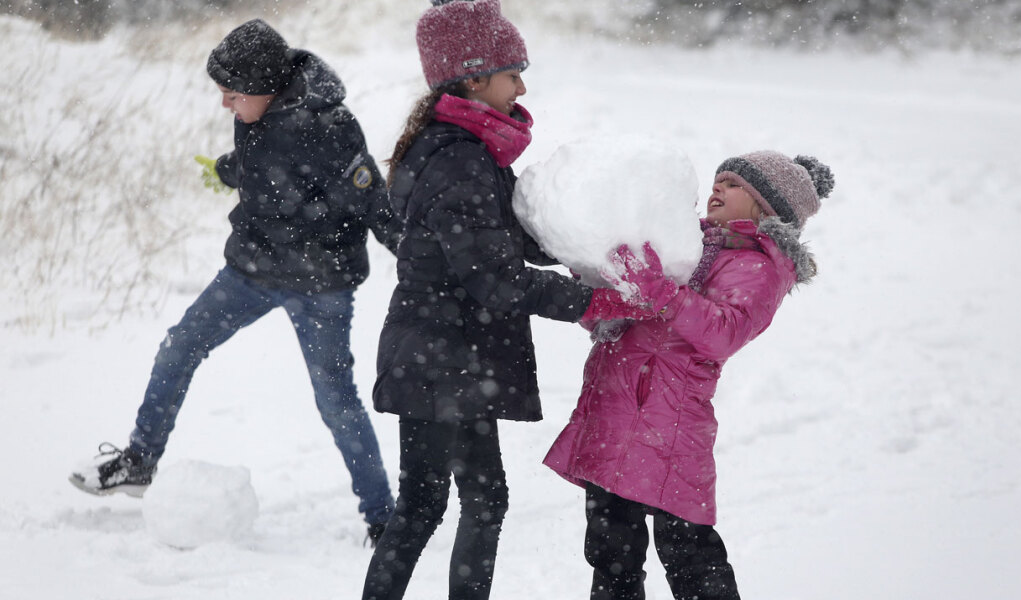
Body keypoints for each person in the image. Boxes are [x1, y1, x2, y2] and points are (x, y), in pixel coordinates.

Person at [69, 19, 402, 543]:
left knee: (336, 401)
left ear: (265, 87)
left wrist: (420, 260)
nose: (225, 104)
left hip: (321, 286)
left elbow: (374, 202)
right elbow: (263, 159)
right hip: (252, 269)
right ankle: (139, 460)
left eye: (232, 94)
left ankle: (383, 518)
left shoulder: (331, 127)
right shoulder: (258, 110)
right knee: (179, 346)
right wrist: (227, 170)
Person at [360, 1, 649, 598]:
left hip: (435, 353)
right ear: (473, 79)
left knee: (429, 506)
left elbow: (512, 238)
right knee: (472, 503)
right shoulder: (461, 159)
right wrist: (592, 302)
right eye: (513, 73)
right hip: (447, 356)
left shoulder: (459, 149)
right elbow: (495, 277)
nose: (522, 87)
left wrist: (597, 250)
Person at [543, 150, 835, 600]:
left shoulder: (759, 265)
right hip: (615, 408)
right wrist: (597, 282)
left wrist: (660, 290)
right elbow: (624, 318)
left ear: (766, 207)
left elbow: (723, 333)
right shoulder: (687, 245)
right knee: (610, 551)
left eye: (734, 185)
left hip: (670, 425)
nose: (719, 188)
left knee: (688, 552)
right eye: (719, 180)